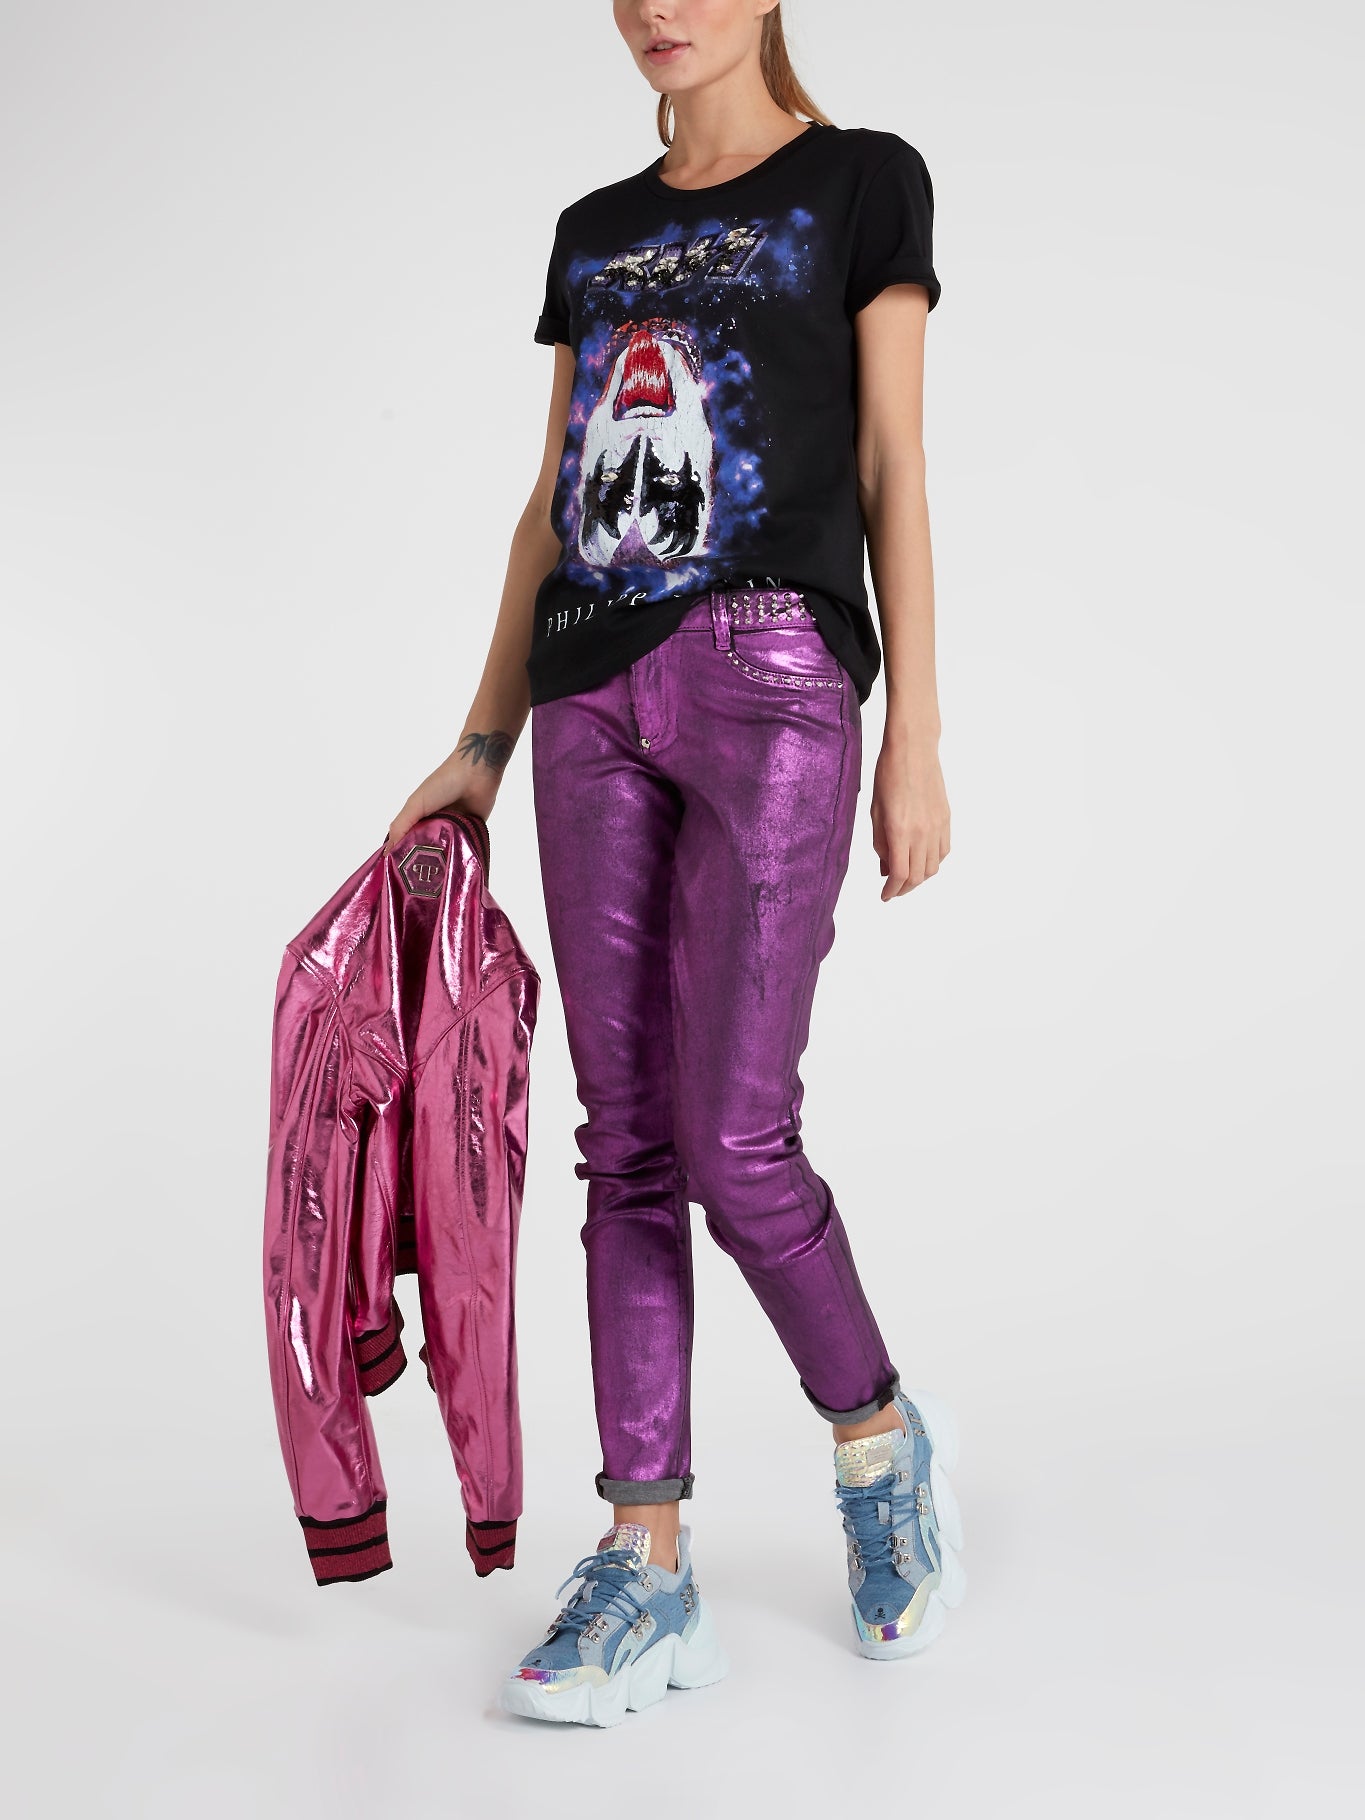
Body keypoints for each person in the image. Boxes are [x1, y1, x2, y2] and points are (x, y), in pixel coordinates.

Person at [385, 0, 965, 1727]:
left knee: (733, 1138)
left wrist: (915, 735)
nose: (657, 6)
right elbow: (548, 498)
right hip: (588, 694)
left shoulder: (862, 183)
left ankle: (874, 1441)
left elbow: (890, 458)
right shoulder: (594, 229)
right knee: (622, 1140)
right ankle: (645, 1563)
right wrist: (483, 738)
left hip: (775, 677)